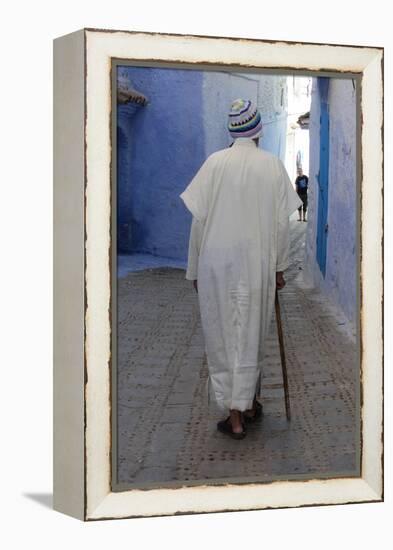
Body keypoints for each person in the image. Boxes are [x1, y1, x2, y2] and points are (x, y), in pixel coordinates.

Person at [180, 99, 301, 440]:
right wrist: (279, 268)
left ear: (232, 132)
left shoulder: (213, 164)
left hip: (216, 264)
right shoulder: (273, 166)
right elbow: (281, 224)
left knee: (221, 335)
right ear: (259, 131)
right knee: (249, 335)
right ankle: (243, 408)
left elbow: (198, 222)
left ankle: (238, 411)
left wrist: (194, 270)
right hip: (256, 263)